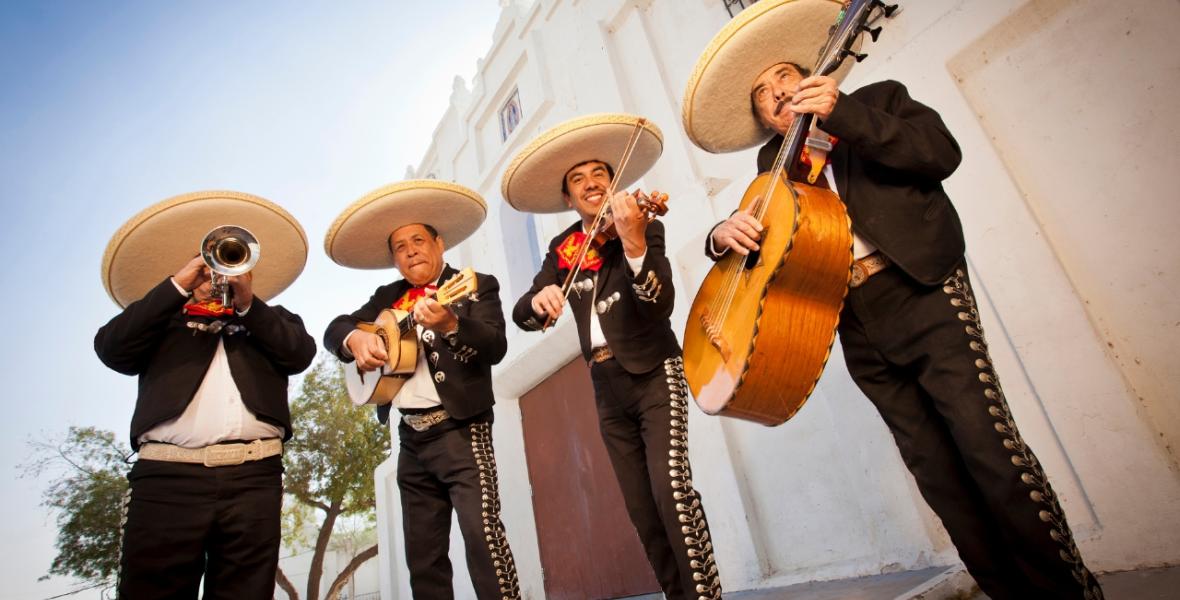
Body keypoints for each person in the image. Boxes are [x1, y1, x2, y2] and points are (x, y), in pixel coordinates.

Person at [681, 1, 1103, 598]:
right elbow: (764, 253)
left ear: (811, 76)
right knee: (937, 475)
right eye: (761, 93)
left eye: (784, 76)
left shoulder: (875, 99)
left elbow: (940, 154)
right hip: (852, 322)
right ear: (760, 117)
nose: (777, 93)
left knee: (990, 452)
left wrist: (845, 113)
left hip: (922, 291)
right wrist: (720, 234)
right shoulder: (767, 169)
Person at [503, 114, 722, 600]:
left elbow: (660, 302)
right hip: (605, 386)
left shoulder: (643, 226)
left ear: (613, 182)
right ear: (568, 198)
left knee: (672, 494)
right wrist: (538, 303)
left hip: (654, 372)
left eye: (598, 174)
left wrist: (635, 242)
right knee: (642, 508)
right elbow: (524, 312)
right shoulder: (564, 250)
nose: (590, 184)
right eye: (578, 180)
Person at [94, 190, 317, 599]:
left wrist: (248, 303)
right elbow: (111, 348)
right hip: (167, 480)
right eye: (205, 264)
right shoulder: (162, 322)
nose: (213, 274)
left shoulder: (269, 318)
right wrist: (179, 285)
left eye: (223, 260)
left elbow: (299, 354)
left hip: (255, 477)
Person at [323, 180, 520, 600]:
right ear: (394, 260)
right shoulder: (388, 297)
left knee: (483, 541)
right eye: (399, 246)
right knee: (423, 559)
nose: (410, 250)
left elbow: (495, 346)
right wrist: (355, 340)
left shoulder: (474, 285)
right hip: (410, 440)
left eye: (417, 240)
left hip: (462, 430)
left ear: (438, 243)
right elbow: (334, 328)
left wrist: (451, 324)